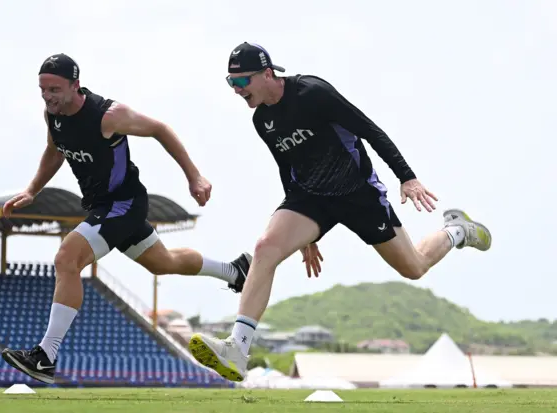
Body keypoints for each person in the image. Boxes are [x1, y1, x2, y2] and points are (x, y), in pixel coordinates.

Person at [188, 42, 492, 382]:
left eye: (242, 82)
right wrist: (304, 235)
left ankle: (457, 231)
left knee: (414, 266)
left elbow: (369, 130)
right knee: (265, 249)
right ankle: (238, 349)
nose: (236, 91)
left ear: (267, 73)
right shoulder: (262, 121)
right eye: (231, 83)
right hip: (309, 198)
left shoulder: (312, 93)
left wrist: (406, 177)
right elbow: (286, 167)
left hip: (356, 193)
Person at [0, 53, 252, 384]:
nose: (48, 97)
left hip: (124, 203)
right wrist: (33, 189)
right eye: (42, 89)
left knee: (66, 258)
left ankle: (46, 354)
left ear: (76, 85)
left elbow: (160, 129)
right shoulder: (53, 114)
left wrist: (194, 176)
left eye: (55, 89)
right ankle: (235, 271)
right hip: (103, 206)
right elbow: (54, 149)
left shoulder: (109, 115)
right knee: (163, 262)